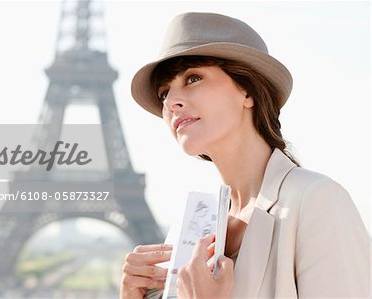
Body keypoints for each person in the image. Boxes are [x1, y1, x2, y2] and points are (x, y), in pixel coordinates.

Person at [120, 12, 370, 298]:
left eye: (193, 78)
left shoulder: (316, 199)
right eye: (164, 93)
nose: (172, 102)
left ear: (247, 91)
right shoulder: (195, 225)